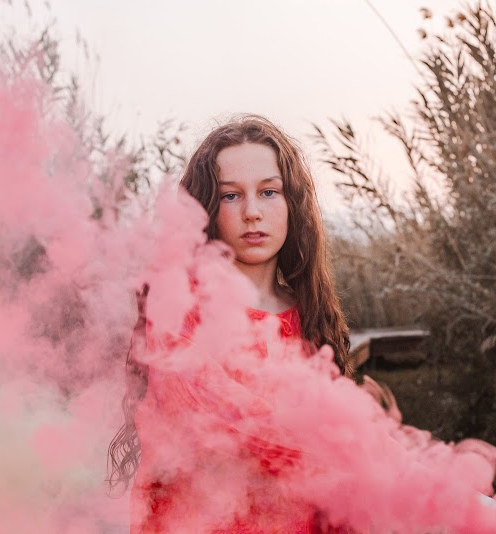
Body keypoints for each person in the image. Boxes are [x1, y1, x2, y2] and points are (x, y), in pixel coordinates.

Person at [110, 115, 370, 533]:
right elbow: (241, 426)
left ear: (292, 205)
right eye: (231, 196)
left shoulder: (310, 316)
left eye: (269, 191)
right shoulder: (177, 313)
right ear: (206, 211)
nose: (252, 212)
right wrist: (375, 457)